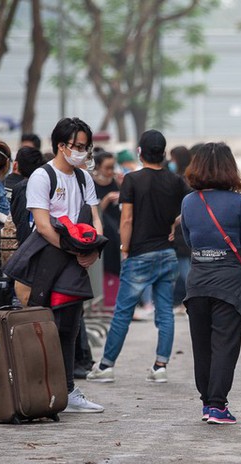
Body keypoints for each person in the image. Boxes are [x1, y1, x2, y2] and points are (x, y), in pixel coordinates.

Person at [88, 130, 191, 384]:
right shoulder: (176, 181)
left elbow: (127, 218)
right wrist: (173, 226)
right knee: (165, 312)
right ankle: (160, 366)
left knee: (122, 311)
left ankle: (106, 365)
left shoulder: (133, 180)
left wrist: (124, 247)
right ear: (164, 153)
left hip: (139, 254)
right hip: (167, 254)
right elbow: (189, 208)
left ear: (140, 152)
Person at [24, 117, 104, 412]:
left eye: (85, 147)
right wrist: (74, 250)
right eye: (77, 147)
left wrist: (92, 249)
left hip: (76, 258)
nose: (82, 152)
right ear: (61, 145)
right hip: (48, 259)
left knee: (70, 324)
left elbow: (94, 219)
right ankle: (44, 390)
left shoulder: (84, 178)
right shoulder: (42, 177)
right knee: (47, 326)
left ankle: (67, 390)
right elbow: (43, 226)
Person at [181, 142, 241, 424]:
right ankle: (218, 406)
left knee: (201, 345)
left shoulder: (189, 202)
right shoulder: (238, 202)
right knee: (224, 344)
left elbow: (190, 241)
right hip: (228, 282)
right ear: (230, 167)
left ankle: (206, 404)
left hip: (198, 281)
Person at [92, 152, 122, 308]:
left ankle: (113, 301)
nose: (110, 171)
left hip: (117, 232)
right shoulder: (92, 184)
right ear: (98, 167)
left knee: (116, 266)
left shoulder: (117, 182)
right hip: (102, 232)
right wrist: (106, 200)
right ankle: (103, 302)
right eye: (107, 168)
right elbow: (95, 213)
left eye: (112, 167)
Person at [170, 146, 193, 313]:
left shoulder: (181, 180)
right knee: (183, 270)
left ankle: (184, 300)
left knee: (185, 272)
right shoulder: (186, 178)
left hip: (181, 231)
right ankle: (181, 300)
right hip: (182, 232)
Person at [8, 147, 44, 245]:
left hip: (26, 245)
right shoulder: (44, 184)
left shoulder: (21, 188)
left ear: (16, 165)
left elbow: (19, 219)